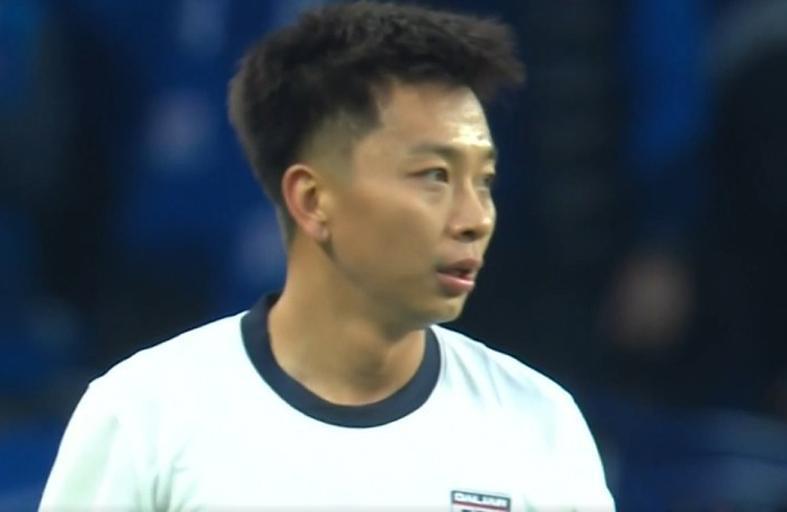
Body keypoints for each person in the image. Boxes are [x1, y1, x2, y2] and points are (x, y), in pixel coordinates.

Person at [39, 2, 614, 510]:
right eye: (435, 175)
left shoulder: (539, 425)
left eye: (483, 180)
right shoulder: (145, 417)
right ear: (312, 200)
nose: (476, 218)